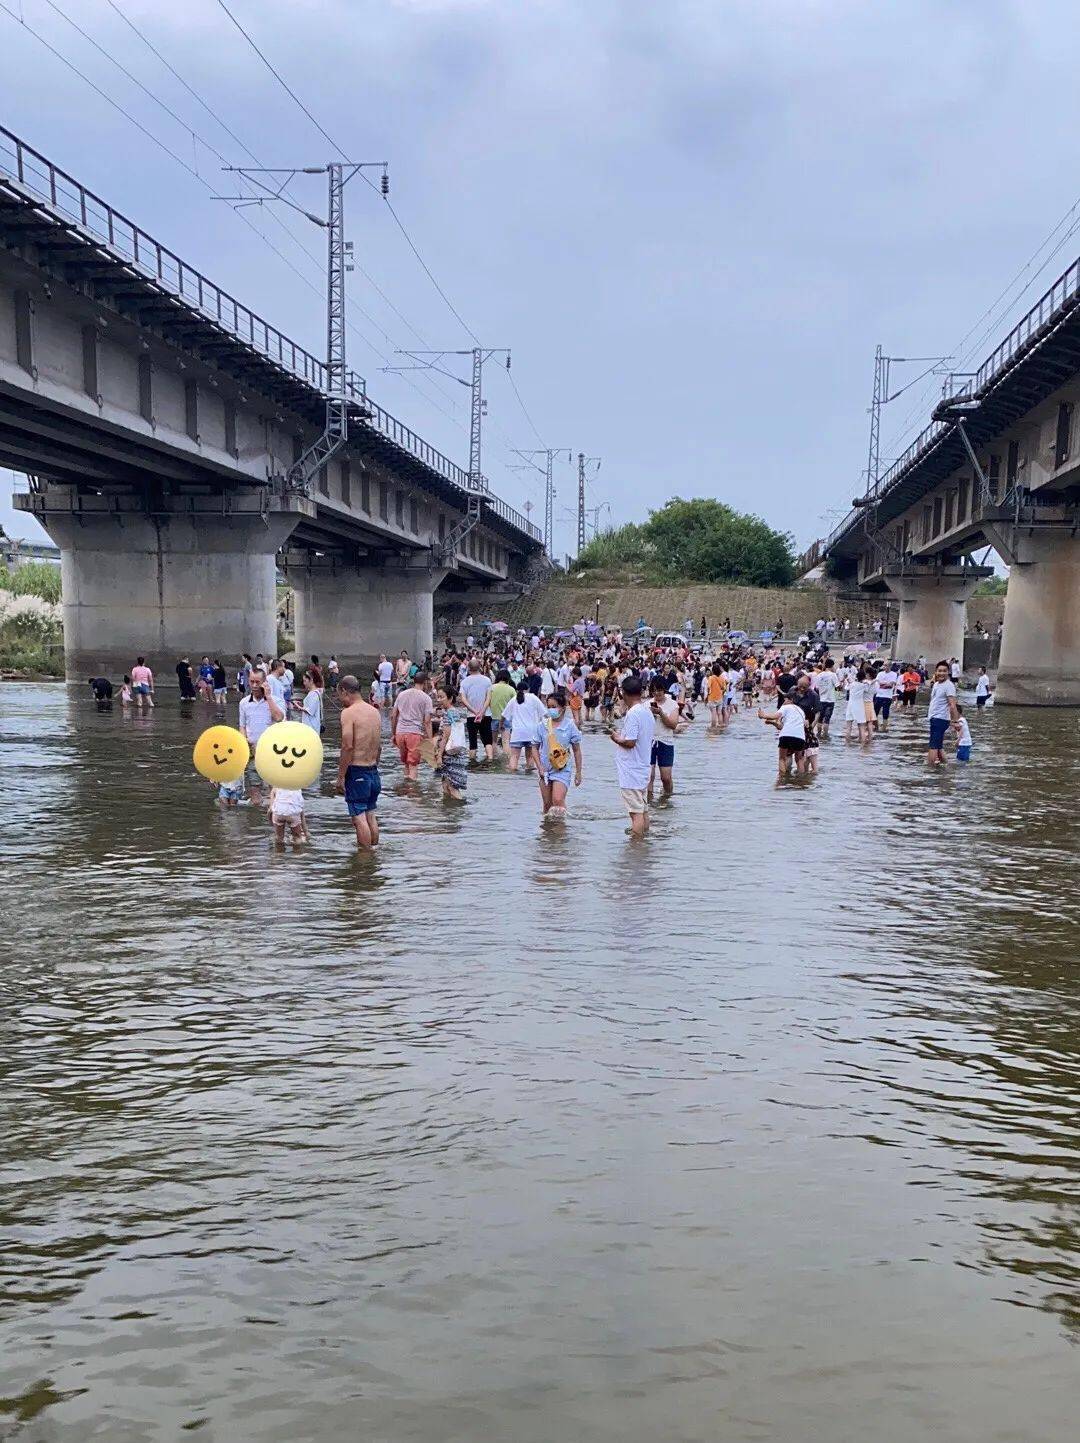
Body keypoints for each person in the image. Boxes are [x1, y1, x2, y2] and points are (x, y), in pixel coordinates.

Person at [335, 675, 383, 848]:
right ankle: (374, 852)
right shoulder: (374, 712)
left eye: (339, 695)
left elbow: (347, 746)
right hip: (373, 771)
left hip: (357, 772)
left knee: (358, 818)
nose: (339, 699)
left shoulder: (348, 713)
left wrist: (341, 777)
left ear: (344, 691)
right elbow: (379, 747)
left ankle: (364, 861)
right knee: (370, 814)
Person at [608, 675, 655, 838]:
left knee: (635, 813)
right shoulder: (646, 712)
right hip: (642, 767)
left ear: (623, 693)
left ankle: (636, 846)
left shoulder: (633, 714)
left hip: (632, 770)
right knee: (642, 809)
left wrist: (616, 738)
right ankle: (644, 839)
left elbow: (630, 742)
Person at [532, 686, 583, 818]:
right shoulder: (542, 725)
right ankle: (547, 833)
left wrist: (578, 772)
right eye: (549, 706)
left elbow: (576, 750)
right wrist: (539, 767)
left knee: (558, 801)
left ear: (563, 708)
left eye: (554, 706)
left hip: (562, 769)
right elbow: (534, 747)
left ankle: (560, 834)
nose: (551, 709)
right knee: (547, 805)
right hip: (545, 770)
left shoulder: (570, 725)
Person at [391, 670, 434, 781]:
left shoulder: (401, 694)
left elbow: (393, 715)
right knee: (413, 765)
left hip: (400, 733)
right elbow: (427, 722)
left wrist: (394, 734)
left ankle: (405, 792)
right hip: (414, 733)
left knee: (406, 763)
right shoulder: (426, 698)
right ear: (425, 682)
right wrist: (430, 740)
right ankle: (412, 794)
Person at [759, 690, 809, 778]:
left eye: (785, 700)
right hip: (800, 737)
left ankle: (782, 779)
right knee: (799, 759)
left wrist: (764, 715)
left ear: (791, 700)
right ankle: (801, 781)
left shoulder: (786, 707)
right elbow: (783, 726)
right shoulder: (801, 711)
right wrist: (772, 723)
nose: (784, 702)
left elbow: (776, 716)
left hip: (785, 735)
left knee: (782, 758)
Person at [434, 685, 470, 800]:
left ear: (450, 698)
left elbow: (446, 736)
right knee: (445, 785)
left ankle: (459, 806)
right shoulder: (454, 712)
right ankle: (449, 811)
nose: (439, 700)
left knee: (452, 787)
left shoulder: (448, 713)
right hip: (455, 753)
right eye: (438, 697)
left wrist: (439, 755)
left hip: (451, 754)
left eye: (442, 697)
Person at [648, 675, 680, 797]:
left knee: (665, 777)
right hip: (649, 742)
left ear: (664, 690)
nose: (657, 693)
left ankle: (667, 798)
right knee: (649, 776)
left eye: (659, 690)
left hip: (666, 742)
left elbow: (673, 725)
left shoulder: (672, 705)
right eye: (654, 690)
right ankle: (648, 802)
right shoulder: (647, 704)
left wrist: (661, 713)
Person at [460, 657, 494, 763]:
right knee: (488, 741)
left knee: (472, 742)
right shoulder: (487, 680)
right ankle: (490, 760)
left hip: (471, 715)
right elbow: (488, 698)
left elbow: (463, 699)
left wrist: (475, 712)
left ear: (469, 668)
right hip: (486, 714)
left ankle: (472, 764)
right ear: (480, 668)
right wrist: (482, 711)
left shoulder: (465, 682)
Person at [927, 659, 960, 765]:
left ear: (948, 672)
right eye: (939, 671)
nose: (942, 673)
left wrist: (955, 721)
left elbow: (952, 705)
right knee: (938, 746)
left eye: (944, 671)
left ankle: (929, 769)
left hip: (940, 719)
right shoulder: (936, 684)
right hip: (934, 718)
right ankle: (947, 769)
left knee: (933, 747)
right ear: (936, 672)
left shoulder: (949, 685)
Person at [489, 668, 516, 752]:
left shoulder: (492, 688)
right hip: (506, 719)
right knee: (506, 742)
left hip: (493, 717)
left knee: (493, 741)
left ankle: (493, 759)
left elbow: (487, 702)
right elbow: (515, 705)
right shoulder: (511, 689)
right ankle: (507, 762)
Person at [292, 668, 323, 732]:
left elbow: (309, 710)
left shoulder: (314, 694)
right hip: (310, 726)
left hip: (311, 727)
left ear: (311, 680)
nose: (304, 683)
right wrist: (301, 704)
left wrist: (298, 706)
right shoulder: (313, 693)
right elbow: (310, 706)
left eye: (305, 681)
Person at [872, 663, 899, 732]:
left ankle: (884, 728)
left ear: (890, 666)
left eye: (887, 665)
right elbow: (877, 682)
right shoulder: (880, 674)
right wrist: (884, 684)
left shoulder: (893, 674)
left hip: (887, 696)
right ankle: (876, 727)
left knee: (885, 713)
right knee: (875, 712)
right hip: (878, 695)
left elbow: (890, 685)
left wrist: (882, 684)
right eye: (884, 665)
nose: (885, 667)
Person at [815, 657, 837, 737]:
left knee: (820, 719)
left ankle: (818, 734)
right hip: (830, 700)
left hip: (821, 700)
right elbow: (838, 687)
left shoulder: (819, 675)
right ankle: (825, 735)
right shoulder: (833, 675)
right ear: (832, 666)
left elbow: (816, 688)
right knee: (827, 719)